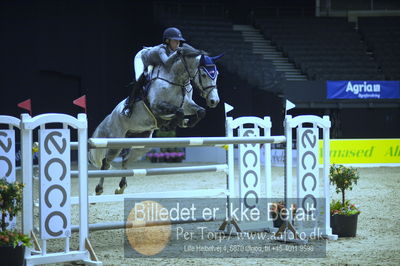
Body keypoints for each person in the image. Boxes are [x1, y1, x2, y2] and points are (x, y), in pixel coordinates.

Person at [122, 27, 186, 117]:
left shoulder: (173, 51)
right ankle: (128, 105)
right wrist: (177, 54)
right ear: (167, 41)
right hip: (142, 58)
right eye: (175, 41)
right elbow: (168, 64)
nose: (178, 44)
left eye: (179, 42)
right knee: (139, 78)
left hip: (155, 61)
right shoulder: (161, 50)